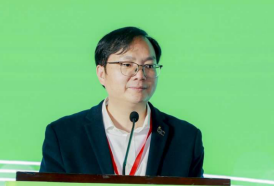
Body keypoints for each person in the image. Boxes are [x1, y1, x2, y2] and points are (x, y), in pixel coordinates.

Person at [39, 27, 204, 177]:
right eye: (127, 64)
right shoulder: (63, 135)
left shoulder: (185, 138)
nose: (140, 75)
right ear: (101, 73)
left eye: (148, 66)